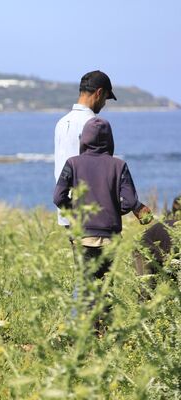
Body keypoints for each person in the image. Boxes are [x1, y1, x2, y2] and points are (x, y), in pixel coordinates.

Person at [53, 117, 152, 329]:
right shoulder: (119, 165)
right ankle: (103, 333)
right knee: (106, 287)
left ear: (84, 139)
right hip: (110, 237)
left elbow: (58, 197)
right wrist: (116, 210)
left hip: (82, 236)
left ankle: (81, 335)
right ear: (110, 140)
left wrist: (76, 212)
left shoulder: (72, 163)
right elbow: (131, 201)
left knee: (85, 285)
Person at [54, 70, 117, 227]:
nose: (104, 103)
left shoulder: (61, 122)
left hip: (65, 209)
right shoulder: (95, 125)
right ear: (99, 93)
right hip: (90, 212)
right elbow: (103, 168)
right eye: (106, 98)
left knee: (78, 251)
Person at [134, 195, 181, 293]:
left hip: (164, 252)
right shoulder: (176, 234)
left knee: (174, 289)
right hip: (144, 249)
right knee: (147, 290)